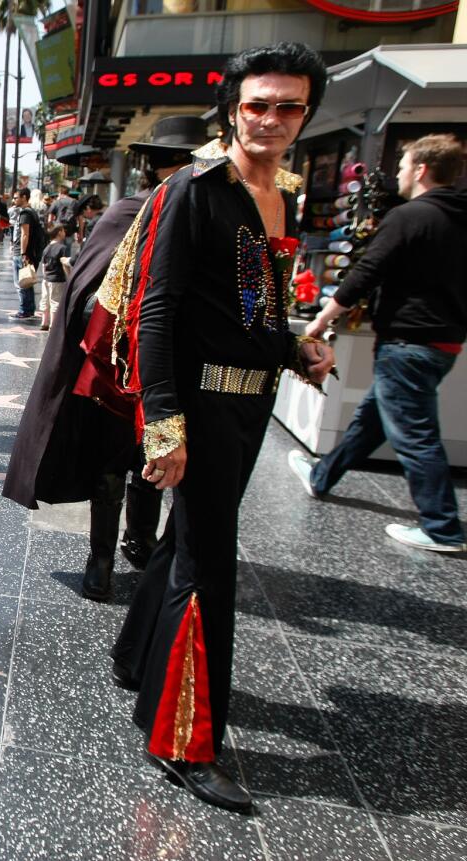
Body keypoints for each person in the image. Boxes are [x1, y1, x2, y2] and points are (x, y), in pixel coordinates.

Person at [100, 44, 335, 811]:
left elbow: (251, 306)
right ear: (233, 106)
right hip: (196, 406)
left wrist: (293, 346)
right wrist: (162, 421)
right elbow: (156, 310)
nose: (270, 119)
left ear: (306, 114)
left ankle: (139, 659)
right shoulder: (192, 189)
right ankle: (184, 742)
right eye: (257, 104)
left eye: (287, 106)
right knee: (210, 568)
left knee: (186, 545)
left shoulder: (281, 194)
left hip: (251, 401)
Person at [5, 115, 209, 605]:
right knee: (115, 463)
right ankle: (101, 560)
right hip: (119, 369)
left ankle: (140, 538)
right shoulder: (130, 215)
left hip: (176, 369)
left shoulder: (201, 220)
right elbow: (87, 292)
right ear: (174, 169)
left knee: (152, 459)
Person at [290, 133, 467, 552]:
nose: (400, 173)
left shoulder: (411, 216)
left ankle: (442, 527)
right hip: (443, 343)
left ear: (422, 170)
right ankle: (322, 476)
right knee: (373, 419)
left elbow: (364, 273)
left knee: (413, 432)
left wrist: (318, 322)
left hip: (408, 341)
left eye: (404, 165)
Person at [8, 187, 43, 321]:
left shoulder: (25, 214)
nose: (14, 200)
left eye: (16, 197)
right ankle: (29, 309)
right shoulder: (31, 212)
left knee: (21, 282)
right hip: (30, 252)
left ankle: (24, 310)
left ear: (24, 197)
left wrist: (23, 253)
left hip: (23, 253)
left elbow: (24, 234)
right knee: (27, 281)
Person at [38, 224, 70, 331]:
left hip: (46, 279)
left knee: (45, 300)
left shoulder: (46, 248)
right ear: (59, 232)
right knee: (55, 301)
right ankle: (53, 324)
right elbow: (64, 264)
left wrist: (45, 276)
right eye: (64, 231)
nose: (65, 233)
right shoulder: (63, 248)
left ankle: (44, 322)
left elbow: (43, 265)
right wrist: (69, 276)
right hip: (57, 279)